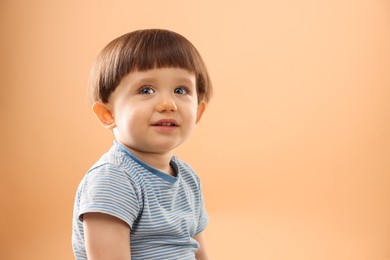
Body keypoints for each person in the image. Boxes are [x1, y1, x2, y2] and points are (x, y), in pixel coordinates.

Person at [72, 29, 213, 260]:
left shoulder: (188, 178)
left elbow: (198, 252)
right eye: (146, 90)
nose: (168, 104)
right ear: (108, 114)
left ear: (198, 112)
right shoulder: (114, 179)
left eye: (181, 90)